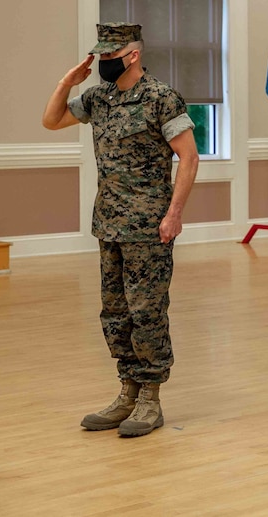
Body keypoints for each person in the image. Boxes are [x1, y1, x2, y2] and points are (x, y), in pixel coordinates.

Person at [42, 23, 198, 437]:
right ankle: (127, 391)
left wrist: (174, 213)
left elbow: (189, 157)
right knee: (115, 312)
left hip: (149, 225)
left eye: (109, 57)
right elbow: (50, 121)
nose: (102, 64)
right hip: (109, 222)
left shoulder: (161, 98)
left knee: (146, 311)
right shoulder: (99, 98)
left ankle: (150, 398)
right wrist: (66, 82)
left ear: (132, 54)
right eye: (100, 56)